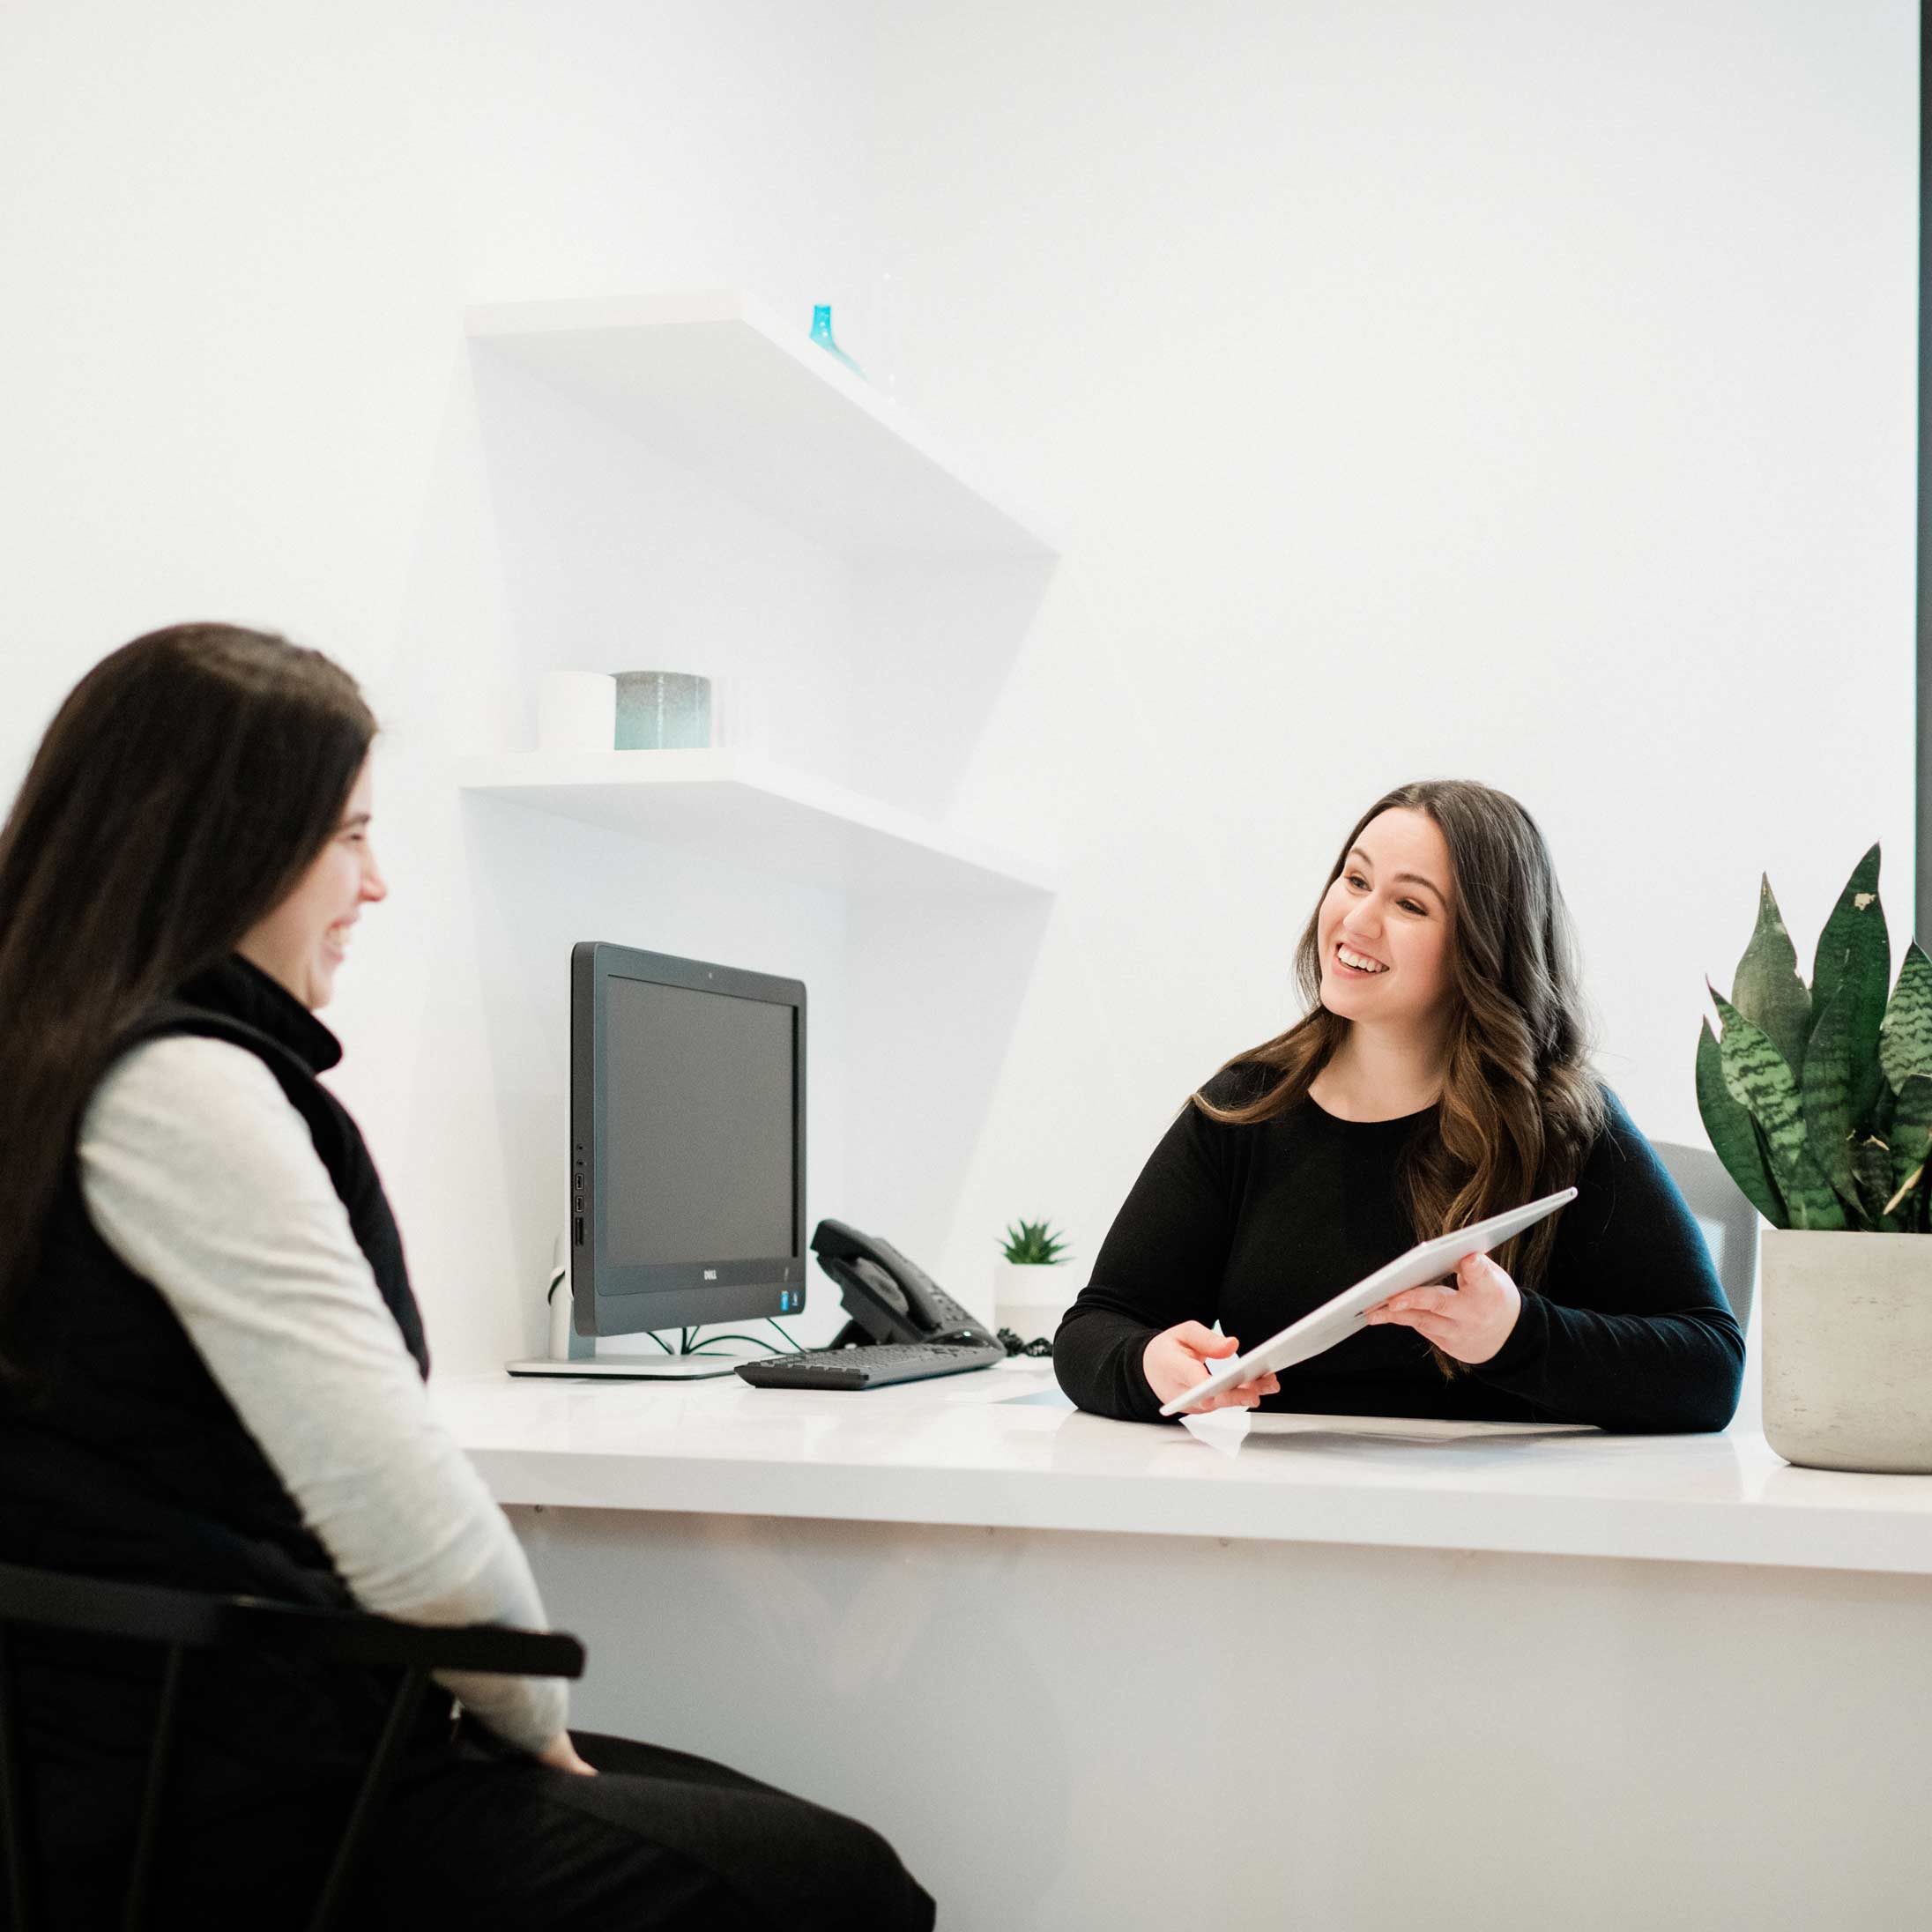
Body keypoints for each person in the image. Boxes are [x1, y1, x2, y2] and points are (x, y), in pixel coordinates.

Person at [0, 624, 934, 1930]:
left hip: (97, 1779)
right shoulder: (184, 1088)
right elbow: (396, 1500)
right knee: (844, 1887)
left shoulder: (51, 1064)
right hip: (247, 1813)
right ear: (225, 845)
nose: (374, 885)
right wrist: (534, 1727)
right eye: (348, 837)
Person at [1053, 778, 1743, 1432]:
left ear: (1482, 947)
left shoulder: (1563, 1123)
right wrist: (1149, 1368)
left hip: (1506, 1537)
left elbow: (1711, 1370)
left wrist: (1513, 1335)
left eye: (1409, 905)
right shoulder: (1243, 1108)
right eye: (1355, 881)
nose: (1357, 919)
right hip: (1276, 1523)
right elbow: (1094, 1328)